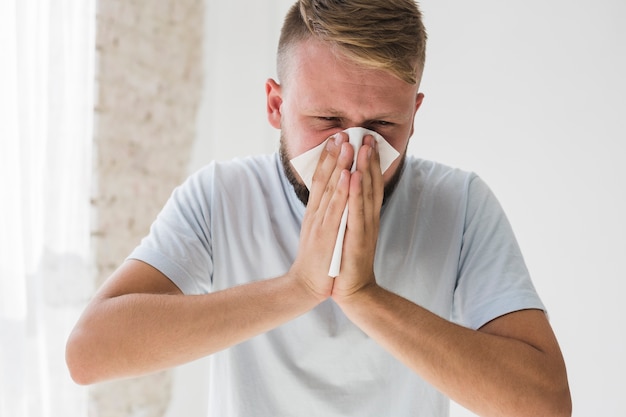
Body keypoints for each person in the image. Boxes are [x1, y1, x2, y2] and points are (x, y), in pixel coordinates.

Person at [66, 1, 572, 416]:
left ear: (414, 115)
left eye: (382, 127)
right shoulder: (222, 195)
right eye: (326, 119)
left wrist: (364, 296)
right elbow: (89, 352)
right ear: (275, 105)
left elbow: (545, 405)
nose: (352, 149)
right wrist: (299, 288)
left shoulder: (459, 204)